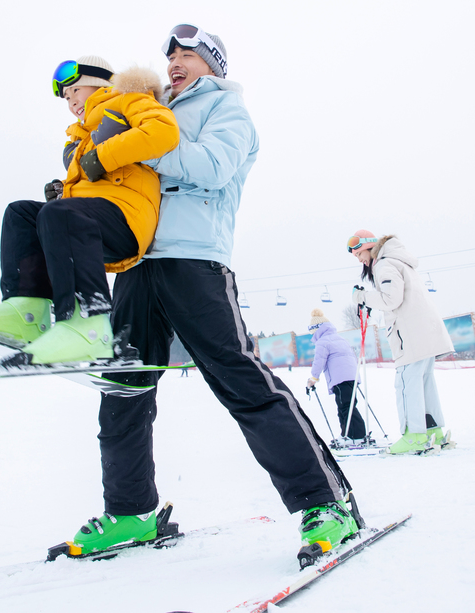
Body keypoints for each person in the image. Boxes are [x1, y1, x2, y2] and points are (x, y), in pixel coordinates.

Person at [69, 25, 363, 558]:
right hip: (137, 263)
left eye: (188, 56)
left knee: (242, 381)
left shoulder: (226, 111)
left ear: (213, 65)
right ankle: (130, 512)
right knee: (124, 390)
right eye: (172, 57)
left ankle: (325, 503)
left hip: (194, 259)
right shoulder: (149, 107)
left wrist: (139, 150)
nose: (176, 63)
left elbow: (211, 168)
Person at [0, 56, 179, 367]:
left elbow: (163, 132)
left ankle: (90, 327)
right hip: (94, 220)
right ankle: (26, 312)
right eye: (66, 98)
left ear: (100, 82)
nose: (71, 103)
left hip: (128, 220)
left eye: (74, 92)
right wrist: (64, 192)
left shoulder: (127, 100)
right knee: (22, 214)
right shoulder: (81, 134)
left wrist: (101, 158)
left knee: (59, 214)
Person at [348, 231, 455, 454]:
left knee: (406, 384)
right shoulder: (399, 260)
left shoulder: (384, 265)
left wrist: (363, 297)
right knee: (424, 382)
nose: (359, 260)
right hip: (424, 333)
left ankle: (414, 435)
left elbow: (391, 299)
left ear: (370, 247)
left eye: (360, 254)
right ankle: (433, 432)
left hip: (410, 335)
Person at [305, 308, 368, 443]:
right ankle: (349, 434)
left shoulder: (323, 342)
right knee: (349, 405)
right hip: (352, 376)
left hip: (340, 378)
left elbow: (319, 361)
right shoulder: (340, 339)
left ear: (316, 329)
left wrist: (313, 378)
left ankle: (355, 436)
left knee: (345, 406)